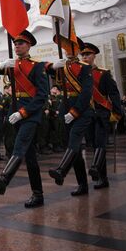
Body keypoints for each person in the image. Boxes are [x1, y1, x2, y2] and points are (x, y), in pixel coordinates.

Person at [0, 30, 48, 208]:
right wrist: (0, 64)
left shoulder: (37, 66)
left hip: (30, 114)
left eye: (21, 43)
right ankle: (38, 194)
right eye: (15, 43)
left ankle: (4, 177)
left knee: (19, 145)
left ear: (29, 46)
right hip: (16, 114)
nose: (17, 46)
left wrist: (23, 112)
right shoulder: (11, 65)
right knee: (29, 157)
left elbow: (42, 96)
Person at [48, 37, 94, 196]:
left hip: (81, 110)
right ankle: (82, 185)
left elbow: (87, 92)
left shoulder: (85, 67)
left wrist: (74, 113)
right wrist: (54, 67)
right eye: (66, 47)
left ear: (78, 50)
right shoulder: (63, 66)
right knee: (72, 146)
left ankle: (62, 169)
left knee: (74, 139)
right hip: (65, 108)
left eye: (71, 47)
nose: (67, 50)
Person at [80, 42, 123, 189]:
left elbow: (114, 93)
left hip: (101, 113)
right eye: (83, 55)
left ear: (94, 56)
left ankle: (98, 172)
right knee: (93, 145)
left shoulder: (103, 73)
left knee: (100, 143)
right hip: (87, 114)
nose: (85, 57)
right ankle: (102, 178)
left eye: (88, 54)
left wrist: (117, 112)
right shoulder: (79, 75)